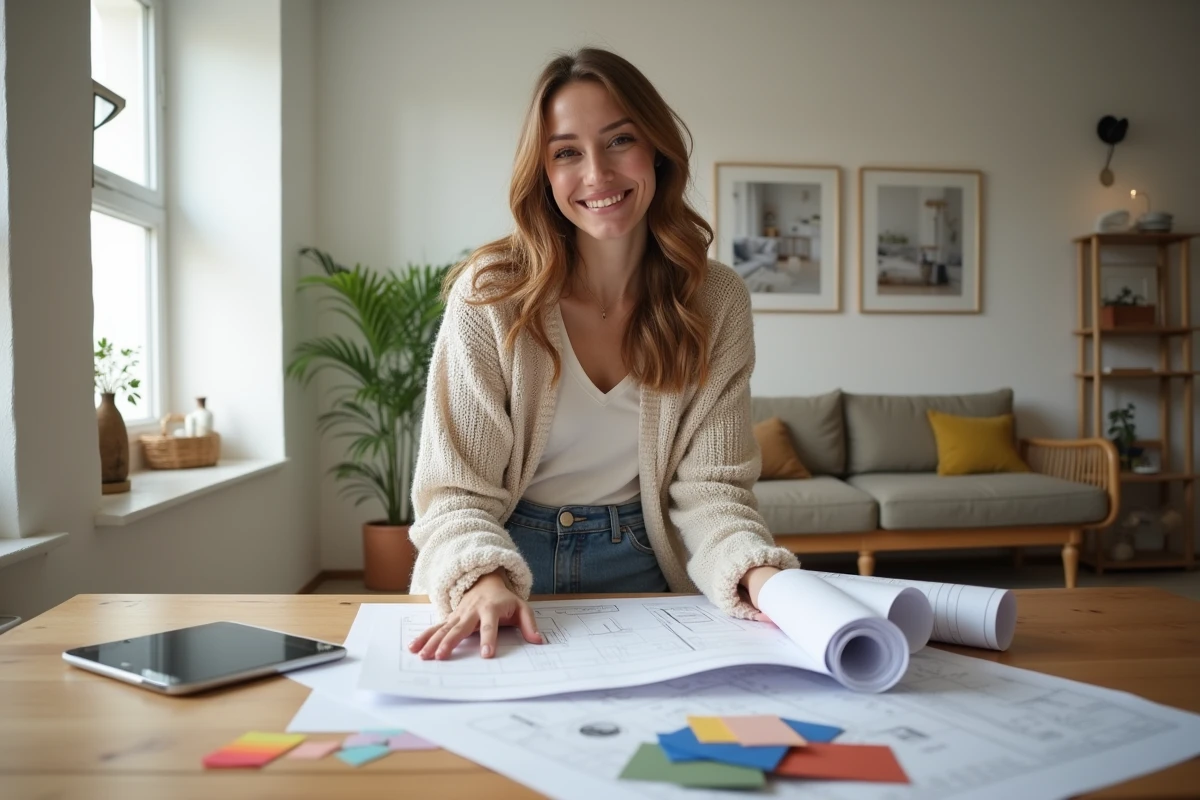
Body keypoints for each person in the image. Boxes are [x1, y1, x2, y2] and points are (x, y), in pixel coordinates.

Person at [407, 47, 799, 661]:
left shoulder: (715, 300)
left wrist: (762, 575)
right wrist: (481, 578)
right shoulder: (492, 294)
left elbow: (712, 491)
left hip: (648, 560)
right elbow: (455, 493)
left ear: (658, 151)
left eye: (619, 140)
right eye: (566, 152)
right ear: (543, 172)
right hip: (505, 563)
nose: (597, 173)